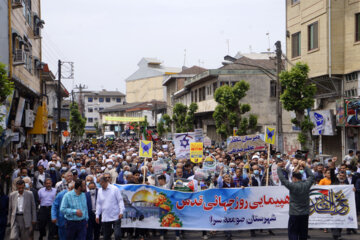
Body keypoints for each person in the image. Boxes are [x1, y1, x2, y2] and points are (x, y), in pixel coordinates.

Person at [277, 159, 314, 240]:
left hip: (294, 214)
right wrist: (305, 167)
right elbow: (311, 176)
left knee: (293, 233)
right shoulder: (306, 185)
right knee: (303, 234)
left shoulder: (292, 186)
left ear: (294, 178)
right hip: (304, 214)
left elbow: (282, 179)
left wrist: (279, 168)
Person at [96, 175, 124, 240]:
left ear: (103, 182)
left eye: (100, 183)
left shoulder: (114, 189)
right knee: (106, 236)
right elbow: (99, 204)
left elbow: (120, 201)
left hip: (116, 215)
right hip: (105, 216)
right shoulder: (100, 191)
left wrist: (121, 211)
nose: (99, 185)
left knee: (117, 235)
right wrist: (97, 215)